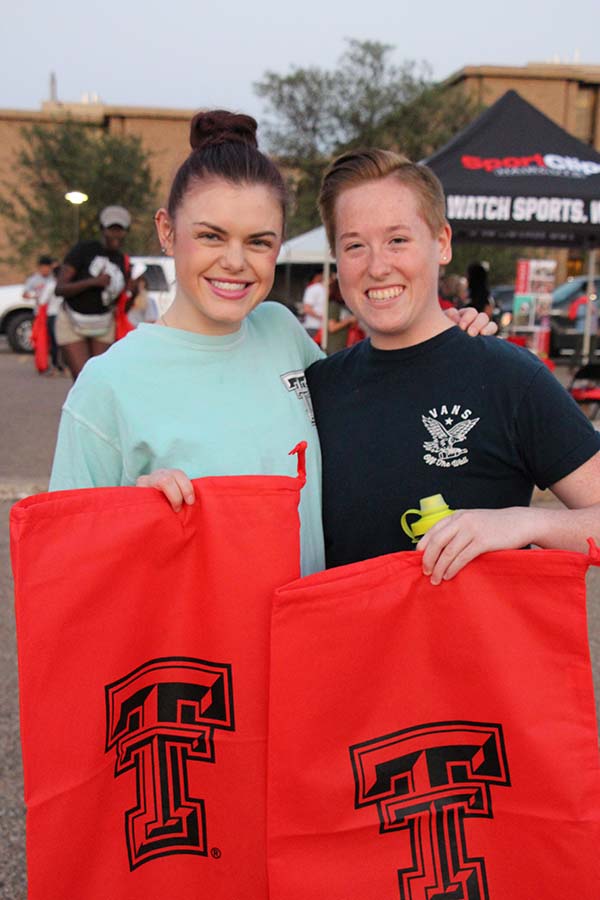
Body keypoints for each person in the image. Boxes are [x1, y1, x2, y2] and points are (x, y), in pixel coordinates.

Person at [49, 112, 494, 577]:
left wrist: (439, 331)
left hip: (308, 635)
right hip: (199, 648)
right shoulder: (107, 383)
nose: (235, 262)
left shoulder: (280, 330)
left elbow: (369, 399)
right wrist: (136, 513)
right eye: (210, 236)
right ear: (167, 231)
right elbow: (65, 564)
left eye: (259, 242)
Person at [305, 147, 600, 582]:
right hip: (346, 645)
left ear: (441, 243)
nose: (378, 266)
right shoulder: (316, 388)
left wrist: (523, 522)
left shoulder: (509, 377)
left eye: (397, 240)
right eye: (354, 246)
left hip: (467, 648)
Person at [54, 205, 131, 380]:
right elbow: (60, 289)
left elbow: (120, 304)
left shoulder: (122, 260)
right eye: (112, 229)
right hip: (72, 319)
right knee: (83, 380)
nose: (116, 235)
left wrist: (130, 292)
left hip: (102, 323)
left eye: (120, 230)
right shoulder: (84, 250)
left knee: (98, 380)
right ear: (103, 229)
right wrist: (93, 282)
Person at [38, 264, 65, 374]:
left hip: (52, 315)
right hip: (65, 317)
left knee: (54, 343)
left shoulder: (50, 286)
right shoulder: (68, 285)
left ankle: (55, 366)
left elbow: (42, 301)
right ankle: (65, 366)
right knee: (65, 342)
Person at [300, 272, 326, 338]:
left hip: (319, 327)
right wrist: (321, 317)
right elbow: (307, 308)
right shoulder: (314, 288)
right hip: (313, 327)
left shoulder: (320, 288)